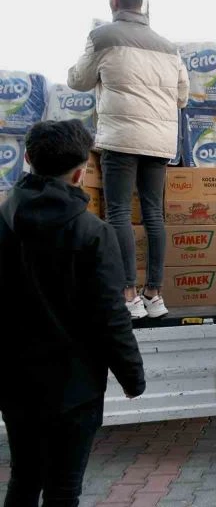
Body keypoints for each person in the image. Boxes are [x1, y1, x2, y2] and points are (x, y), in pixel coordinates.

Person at [0, 120, 146, 507]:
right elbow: (110, 316)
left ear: (27, 159)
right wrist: (132, 377)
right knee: (63, 487)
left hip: (16, 381)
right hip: (75, 387)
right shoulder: (93, 231)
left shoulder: (2, 219)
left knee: (25, 477)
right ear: (82, 172)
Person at [68, 0, 189, 319]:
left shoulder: (103, 36)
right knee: (154, 214)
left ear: (115, 0)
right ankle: (155, 294)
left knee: (119, 212)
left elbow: (78, 80)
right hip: (159, 142)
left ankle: (129, 294)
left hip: (121, 138)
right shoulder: (168, 47)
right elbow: (182, 96)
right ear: (140, 0)